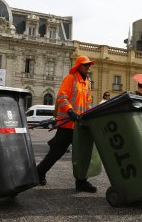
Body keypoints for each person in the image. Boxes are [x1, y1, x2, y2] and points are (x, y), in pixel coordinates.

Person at [36, 55, 97, 193]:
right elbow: (62, 96)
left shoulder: (87, 82)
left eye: (89, 65)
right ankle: (39, 172)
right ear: (78, 66)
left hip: (80, 126)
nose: (88, 68)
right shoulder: (71, 79)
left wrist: (89, 115)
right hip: (67, 124)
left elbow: (87, 102)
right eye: (85, 65)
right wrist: (70, 111)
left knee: (82, 154)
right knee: (56, 152)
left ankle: (81, 181)